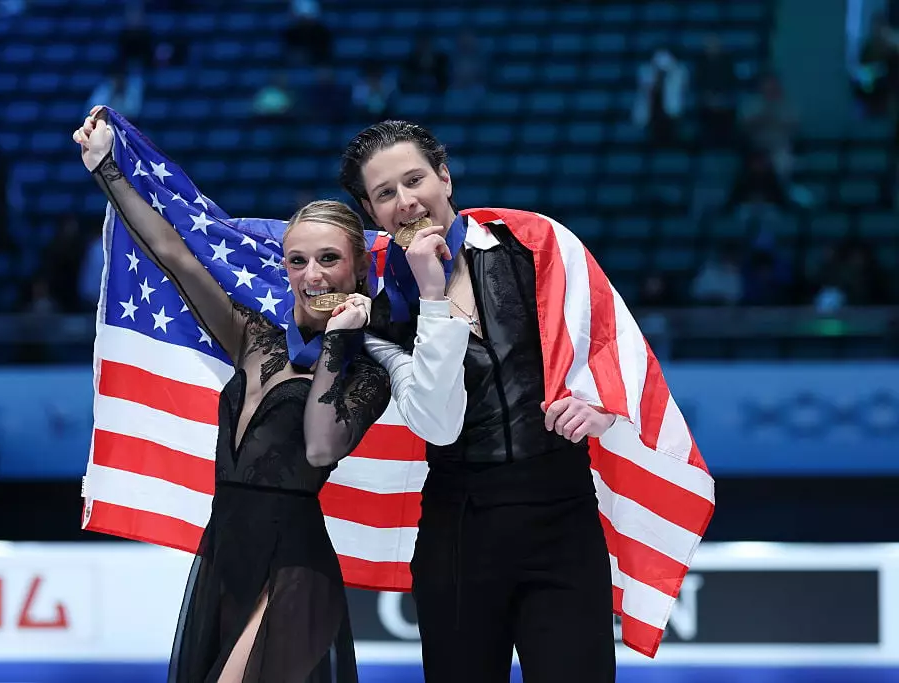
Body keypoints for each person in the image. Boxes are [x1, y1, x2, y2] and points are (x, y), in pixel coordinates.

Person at [342, 120, 714, 681]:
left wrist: (599, 405)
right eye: (385, 193)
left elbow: (607, 347)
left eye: (415, 179)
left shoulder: (535, 245)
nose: (406, 201)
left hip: (560, 515)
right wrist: (432, 296)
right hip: (459, 529)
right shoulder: (379, 302)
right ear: (372, 213)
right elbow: (436, 425)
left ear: (445, 177)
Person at [73, 110, 390, 683]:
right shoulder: (254, 337)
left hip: (293, 566)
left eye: (328, 259)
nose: (312, 275)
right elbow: (173, 255)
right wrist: (107, 170)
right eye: (298, 260)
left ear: (358, 267)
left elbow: (320, 448)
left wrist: (340, 341)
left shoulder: (367, 370)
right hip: (224, 552)